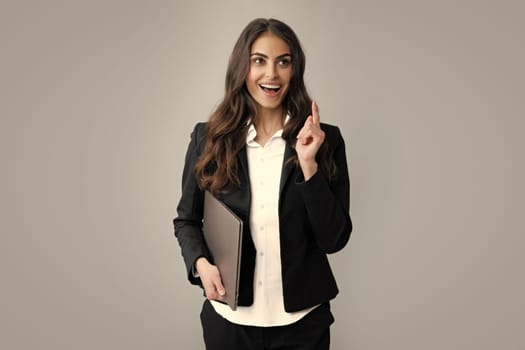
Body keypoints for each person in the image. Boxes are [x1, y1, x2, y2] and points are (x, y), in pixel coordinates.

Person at [173, 18, 352, 350]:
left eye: (283, 61)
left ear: (294, 70)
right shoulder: (209, 139)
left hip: (303, 324)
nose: (271, 74)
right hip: (229, 322)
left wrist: (308, 163)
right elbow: (187, 220)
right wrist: (200, 265)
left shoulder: (325, 139)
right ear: (243, 68)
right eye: (259, 61)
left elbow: (334, 239)